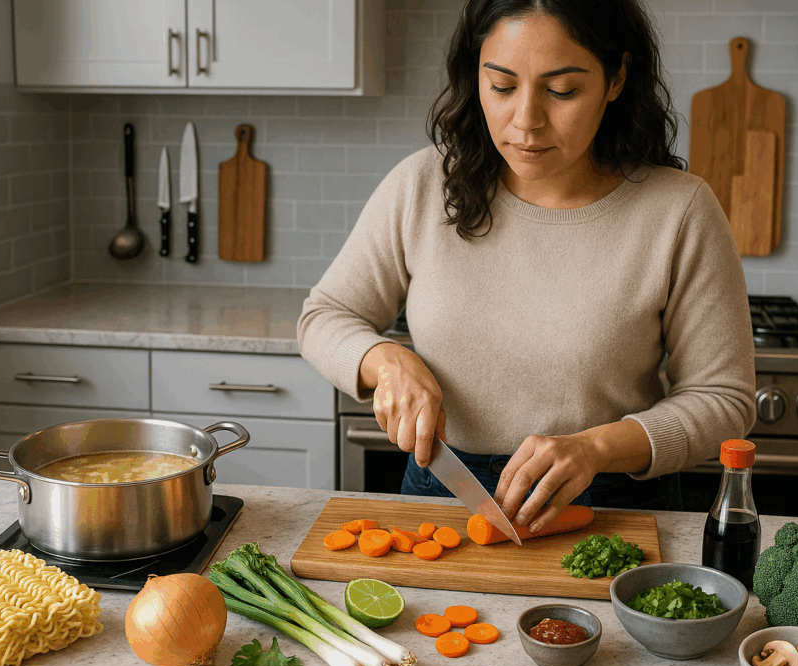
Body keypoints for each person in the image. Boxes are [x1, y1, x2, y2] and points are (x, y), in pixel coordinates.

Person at [297, 0, 756, 534]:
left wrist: (595, 448)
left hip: (608, 501)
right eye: (502, 86)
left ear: (616, 78)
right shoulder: (422, 185)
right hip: (442, 491)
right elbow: (324, 316)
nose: (526, 121)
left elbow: (723, 401)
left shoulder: (680, 210)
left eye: (562, 91)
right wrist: (384, 361)